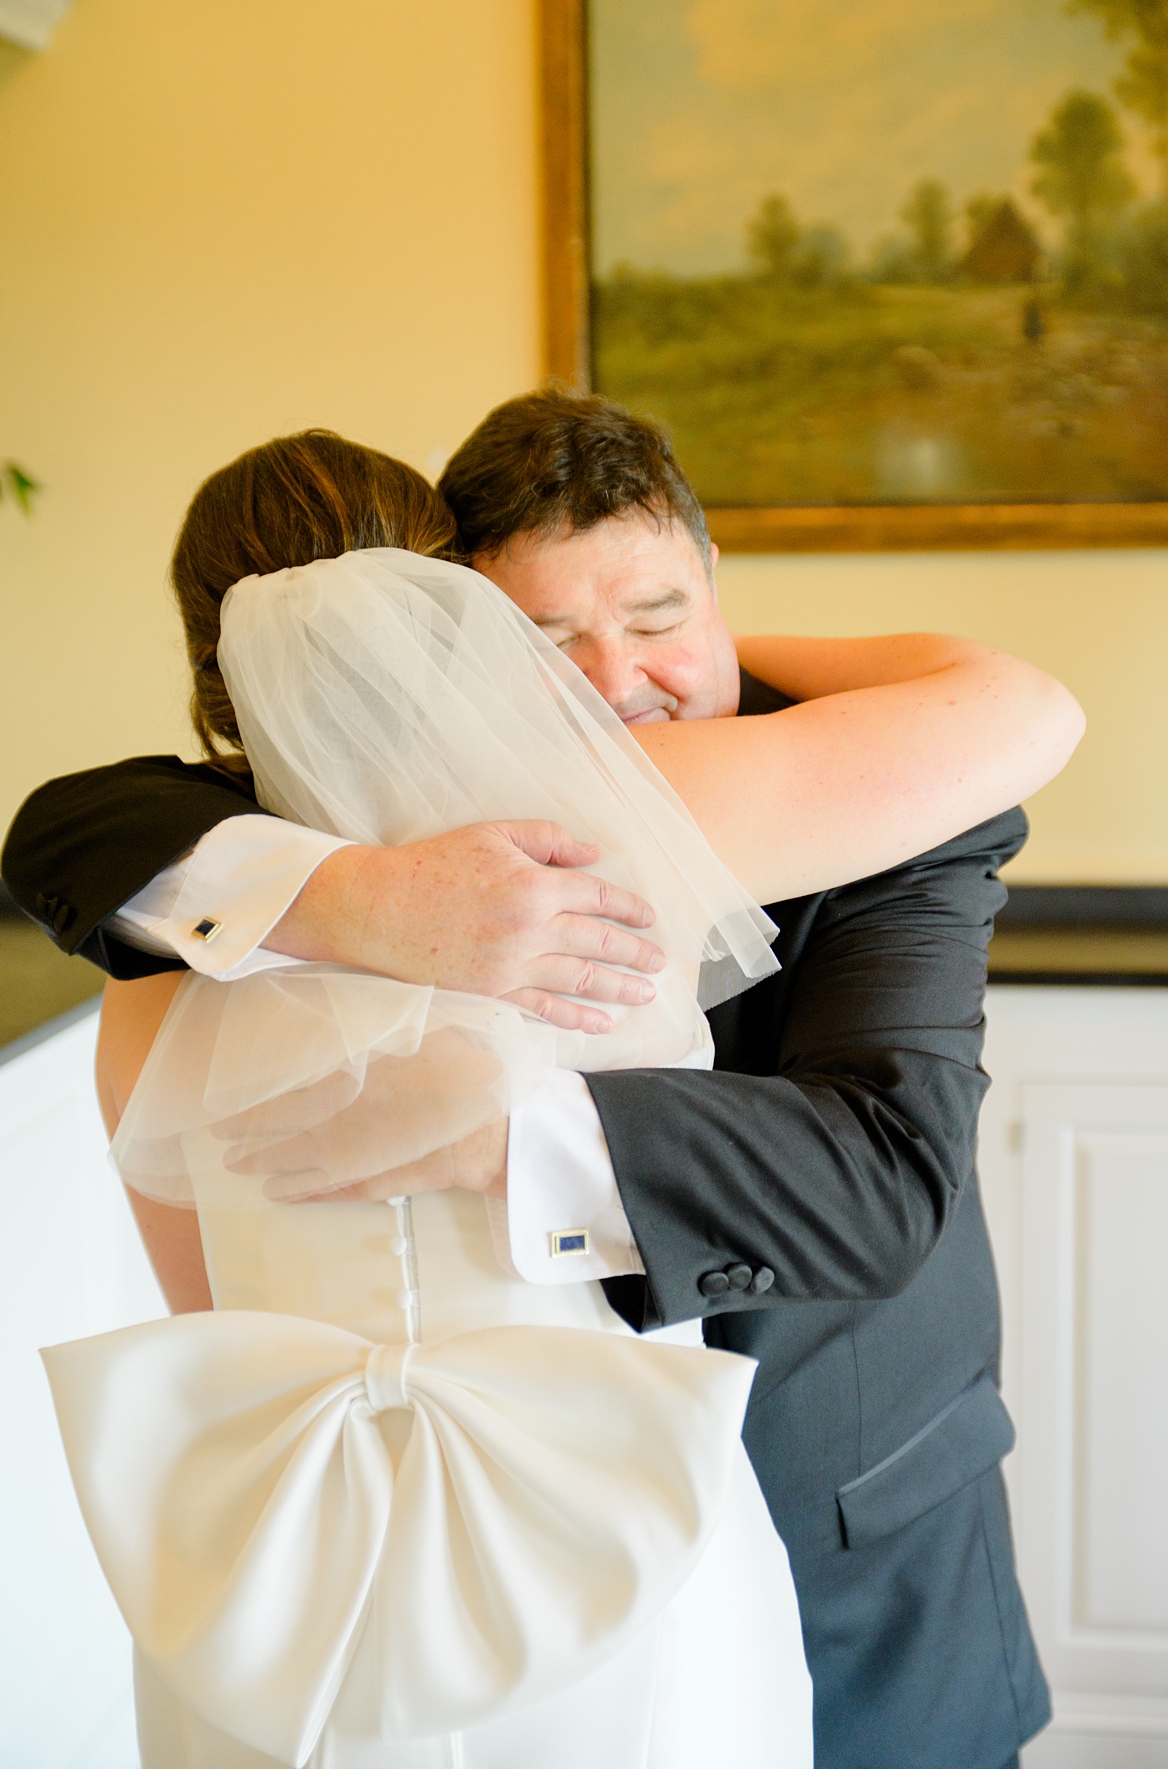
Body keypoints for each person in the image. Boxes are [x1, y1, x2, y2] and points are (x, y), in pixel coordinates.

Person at [5, 399, 1073, 1769]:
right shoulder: (595, 831)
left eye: (657, 613)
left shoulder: (160, 959)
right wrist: (362, 901)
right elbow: (1014, 695)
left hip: (388, 1584)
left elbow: (207, 1306)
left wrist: (501, 1136)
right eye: (545, 644)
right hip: (635, 1565)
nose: (621, 684)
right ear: (455, 639)